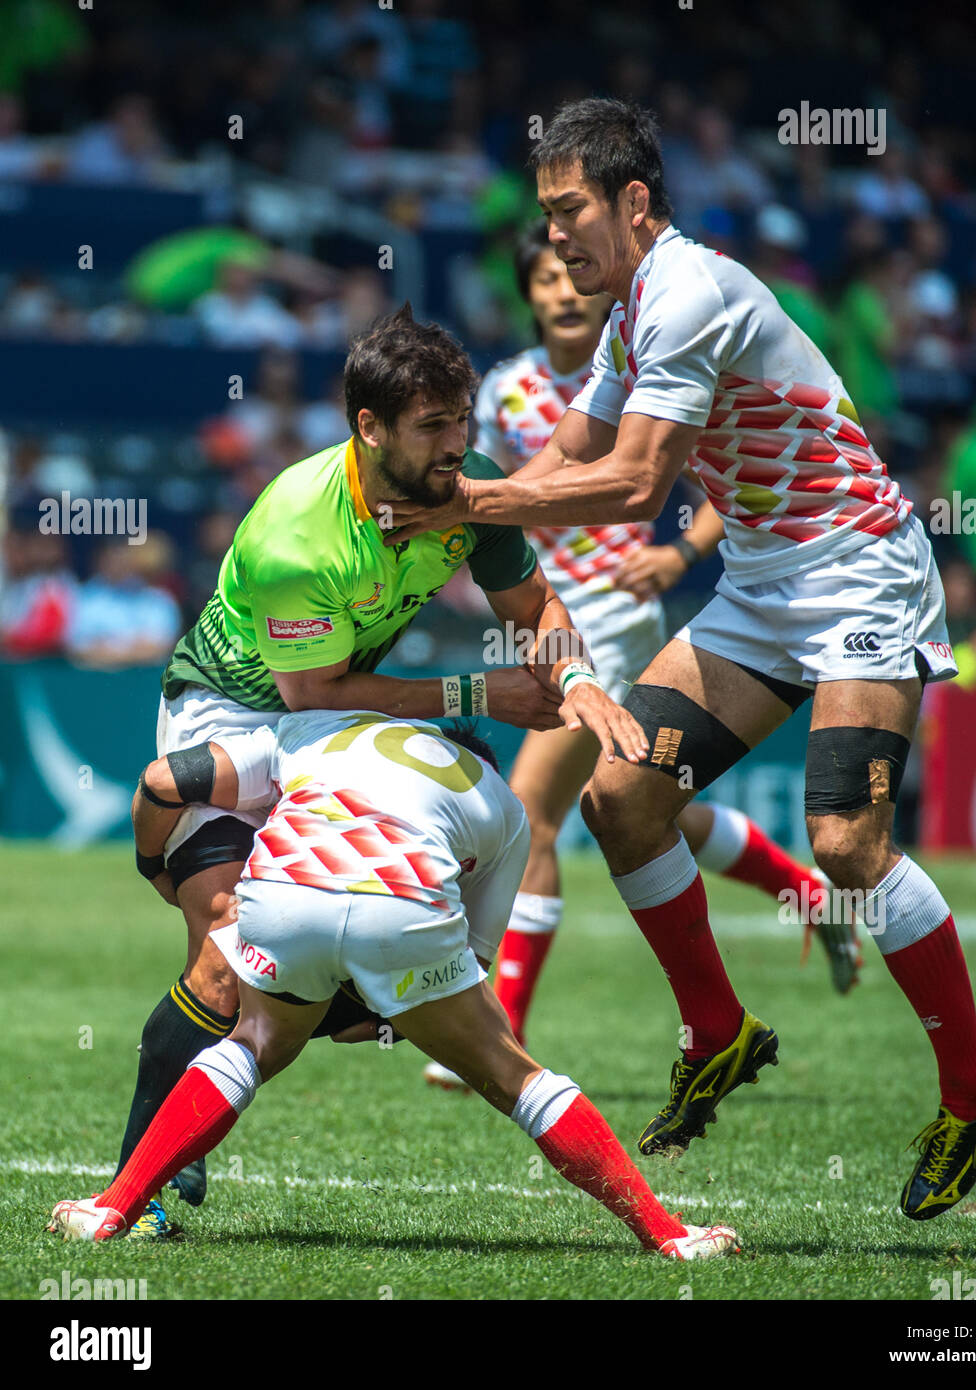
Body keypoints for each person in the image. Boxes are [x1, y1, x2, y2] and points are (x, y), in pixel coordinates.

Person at [383, 99, 976, 1222]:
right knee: (624, 800)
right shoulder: (631, 309)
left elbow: (634, 482)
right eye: (543, 216)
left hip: (861, 566)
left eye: (570, 211)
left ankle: (972, 1087)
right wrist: (469, 489)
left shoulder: (689, 292)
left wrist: (471, 499)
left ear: (634, 202)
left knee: (848, 843)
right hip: (766, 588)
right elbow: (577, 445)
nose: (555, 237)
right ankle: (719, 1030)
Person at [117, 303, 646, 1237]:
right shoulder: (297, 536)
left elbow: (536, 600)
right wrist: (477, 695)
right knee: (222, 963)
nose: (458, 446)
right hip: (233, 711)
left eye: (463, 421)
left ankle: (349, 1012)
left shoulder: (465, 491)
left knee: (315, 972)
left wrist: (572, 678)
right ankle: (139, 1183)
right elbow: (314, 691)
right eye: (433, 426)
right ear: (369, 428)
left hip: (332, 715)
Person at [49, 712, 738, 1262]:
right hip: (403, 906)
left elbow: (175, 778)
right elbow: (470, 955)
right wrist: (382, 1019)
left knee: (251, 1042)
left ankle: (111, 1207)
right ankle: (667, 1234)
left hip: (287, 887)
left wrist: (160, 873)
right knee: (512, 1074)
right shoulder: (503, 804)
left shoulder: (320, 727)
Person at [424, 224, 857, 1090]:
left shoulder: (650, 350)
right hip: (543, 617)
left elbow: (712, 476)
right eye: (540, 278)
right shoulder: (508, 392)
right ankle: (807, 892)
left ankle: (500, 1033)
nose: (559, 289)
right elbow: (493, 495)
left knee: (536, 813)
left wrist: (679, 555)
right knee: (643, 801)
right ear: (530, 295)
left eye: (566, 272)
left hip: (614, 616)